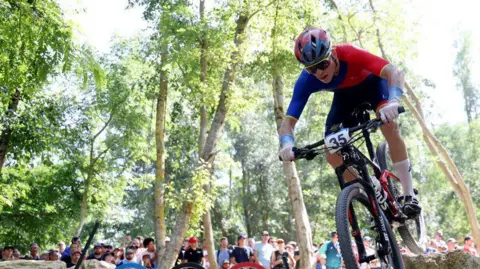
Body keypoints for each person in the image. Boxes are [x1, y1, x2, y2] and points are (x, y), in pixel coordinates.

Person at [278, 27, 422, 218]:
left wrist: (394, 100)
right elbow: (288, 123)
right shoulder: (307, 80)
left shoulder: (348, 52)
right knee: (331, 154)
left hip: (373, 86)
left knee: (389, 126)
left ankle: (409, 194)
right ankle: (369, 195)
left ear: (332, 54)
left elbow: (394, 72)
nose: (319, 72)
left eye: (323, 64)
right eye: (312, 68)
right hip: (344, 98)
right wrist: (287, 144)